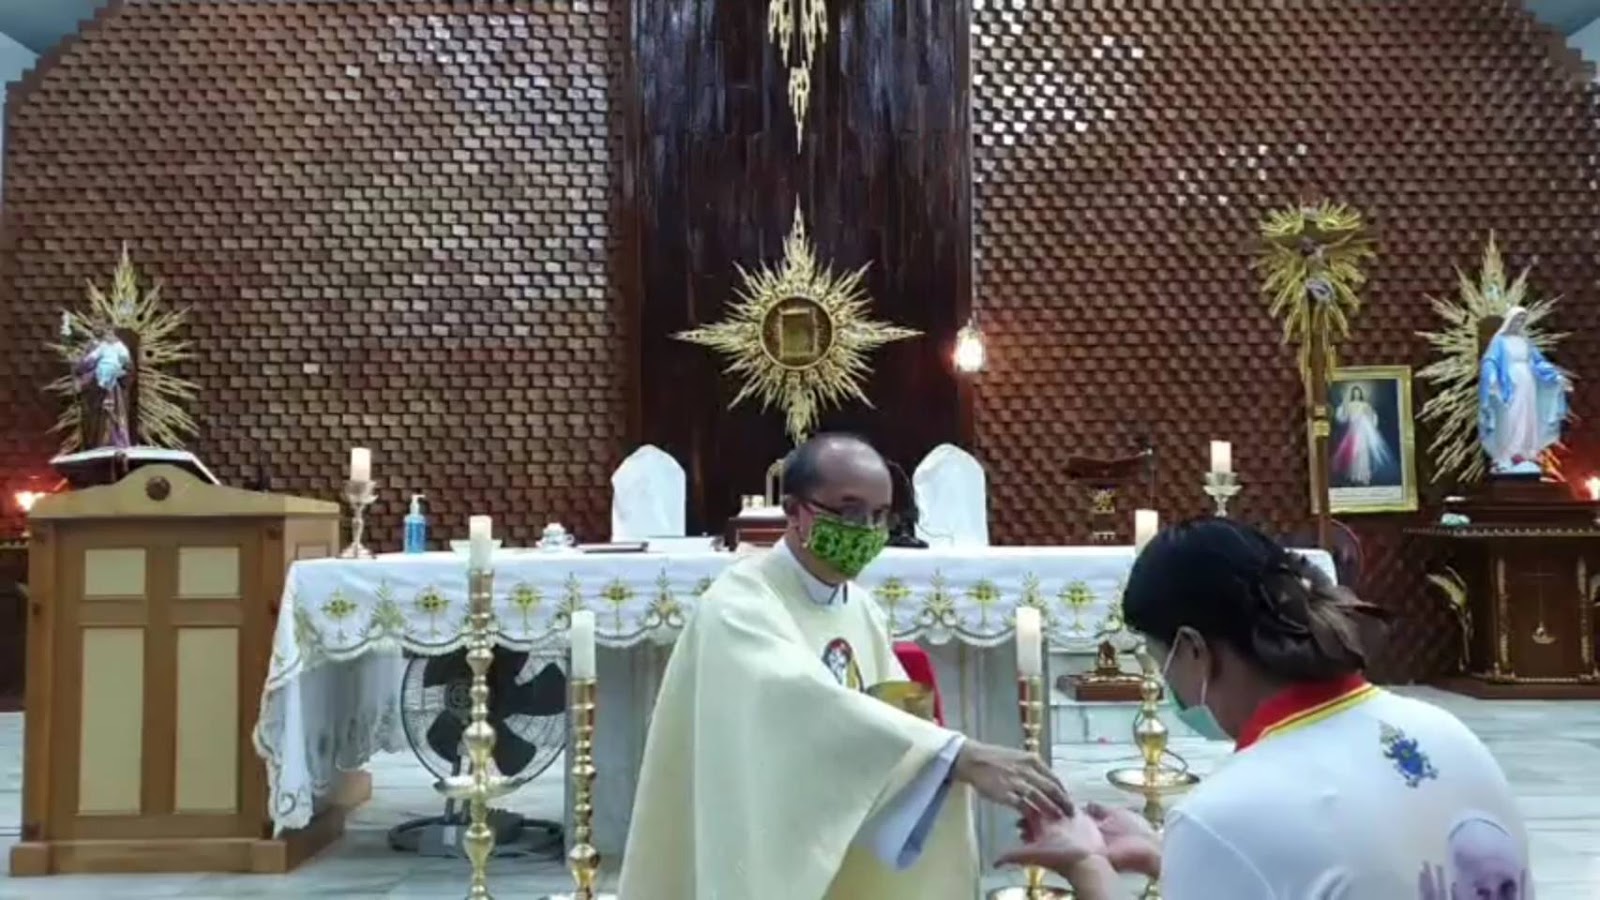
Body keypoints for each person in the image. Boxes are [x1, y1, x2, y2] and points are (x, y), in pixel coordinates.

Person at [619, 433, 1069, 899]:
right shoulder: (737, 606)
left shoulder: (859, 607)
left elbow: (893, 720)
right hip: (760, 833)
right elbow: (798, 701)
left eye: (880, 515)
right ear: (794, 511)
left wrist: (940, 759)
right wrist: (953, 753)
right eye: (850, 512)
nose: (867, 530)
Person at [998, 517, 1529, 899]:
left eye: (1159, 661)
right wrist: (1167, 856)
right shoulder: (1446, 732)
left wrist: (1086, 864)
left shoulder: (1225, 812)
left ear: (1193, 650)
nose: (1163, 680)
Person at [1479, 305, 1569, 475]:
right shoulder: (1500, 341)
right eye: (1517, 319)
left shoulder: (1525, 342)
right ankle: (1508, 455)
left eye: (1522, 320)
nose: (1519, 323)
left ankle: (1526, 453)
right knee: (1511, 417)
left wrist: (1555, 376)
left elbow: (1539, 363)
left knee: (1528, 417)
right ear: (1509, 320)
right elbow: (1490, 361)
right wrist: (1492, 379)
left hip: (1528, 383)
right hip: (1509, 384)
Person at [1332, 384, 1391, 486]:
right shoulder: (1349, 405)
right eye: (1355, 393)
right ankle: (1354, 476)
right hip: (1352, 430)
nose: (1356, 395)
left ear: (1360, 394)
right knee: (1353, 452)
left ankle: (1363, 476)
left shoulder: (1365, 405)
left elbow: (1372, 417)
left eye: (1358, 393)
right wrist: (1344, 406)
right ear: (1352, 394)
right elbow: (1343, 418)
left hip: (1363, 430)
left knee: (1363, 453)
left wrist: (1368, 420)